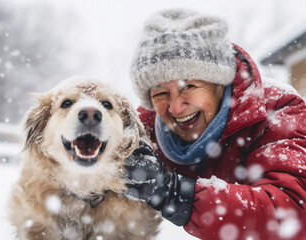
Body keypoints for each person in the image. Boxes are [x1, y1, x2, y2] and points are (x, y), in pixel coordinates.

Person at [123, 8, 306, 240]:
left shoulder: (276, 110)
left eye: (188, 86)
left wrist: (175, 194)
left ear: (220, 82)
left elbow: (291, 213)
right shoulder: (145, 128)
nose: (176, 107)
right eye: (160, 93)